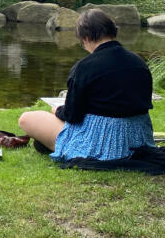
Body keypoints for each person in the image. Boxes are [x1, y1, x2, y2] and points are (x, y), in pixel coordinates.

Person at [17, 9, 154, 162]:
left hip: (102, 141)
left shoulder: (85, 67)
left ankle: (55, 144)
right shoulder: (138, 62)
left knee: (27, 119)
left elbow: (73, 116)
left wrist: (58, 111)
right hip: (138, 138)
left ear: (87, 38)